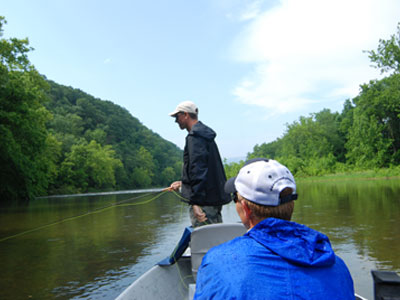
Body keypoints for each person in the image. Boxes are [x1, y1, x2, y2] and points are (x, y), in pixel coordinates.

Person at [194, 158, 355, 300]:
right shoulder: (335, 264)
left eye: (235, 198)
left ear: (245, 208)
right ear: (291, 205)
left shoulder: (217, 262)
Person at [166, 101, 231, 227]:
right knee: (216, 236)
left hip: (204, 201)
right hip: (213, 199)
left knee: (207, 241)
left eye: (177, 117)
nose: (176, 121)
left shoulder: (195, 137)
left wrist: (196, 203)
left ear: (185, 115)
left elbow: (198, 170)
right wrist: (184, 184)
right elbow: (205, 170)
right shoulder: (204, 136)